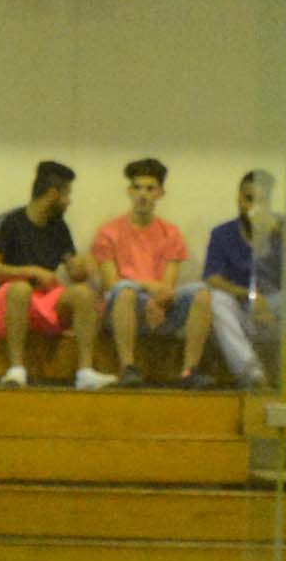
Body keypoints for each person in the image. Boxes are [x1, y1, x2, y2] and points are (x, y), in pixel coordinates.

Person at [199, 170, 286, 391]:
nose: (253, 207)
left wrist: (280, 233)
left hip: (279, 310)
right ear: (239, 199)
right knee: (216, 299)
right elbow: (211, 278)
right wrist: (250, 295)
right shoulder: (222, 233)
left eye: (261, 202)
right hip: (243, 311)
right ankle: (252, 375)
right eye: (248, 199)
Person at [83, 159, 205, 389]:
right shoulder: (108, 232)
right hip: (122, 308)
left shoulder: (171, 233)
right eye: (137, 187)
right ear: (129, 191)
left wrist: (156, 299)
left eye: (150, 188)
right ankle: (128, 367)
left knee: (202, 293)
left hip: (159, 307)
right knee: (124, 290)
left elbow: (167, 286)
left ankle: (190, 370)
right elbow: (111, 283)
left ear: (160, 193)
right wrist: (148, 287)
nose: (143, 194)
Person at [0, 159, 81, 384]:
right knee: (20, 289)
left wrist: (83, 267)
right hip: (4, 302)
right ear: (52, 195)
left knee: (83, 294)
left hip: (41, 304)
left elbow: (74, 268)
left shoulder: (59, 228)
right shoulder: (8, 222)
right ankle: (16, 369)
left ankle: (85, 371)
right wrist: (32, 272)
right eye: (67, 195)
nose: (69, 202)